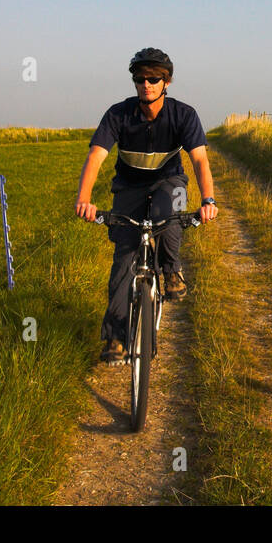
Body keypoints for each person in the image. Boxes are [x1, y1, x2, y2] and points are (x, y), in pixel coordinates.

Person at [74, 48, 218, 361]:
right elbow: (96, 156)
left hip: (171, 182)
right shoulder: (118, 114)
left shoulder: (184, 115)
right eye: (140, 79)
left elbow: (200, 161)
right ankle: (116, 338)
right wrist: (83, 199)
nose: (146, 84)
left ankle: (171, 270)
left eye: (154, 79)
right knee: (124, 256)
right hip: (128, 186)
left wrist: (208, 200)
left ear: (167, 82)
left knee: (170, 216)